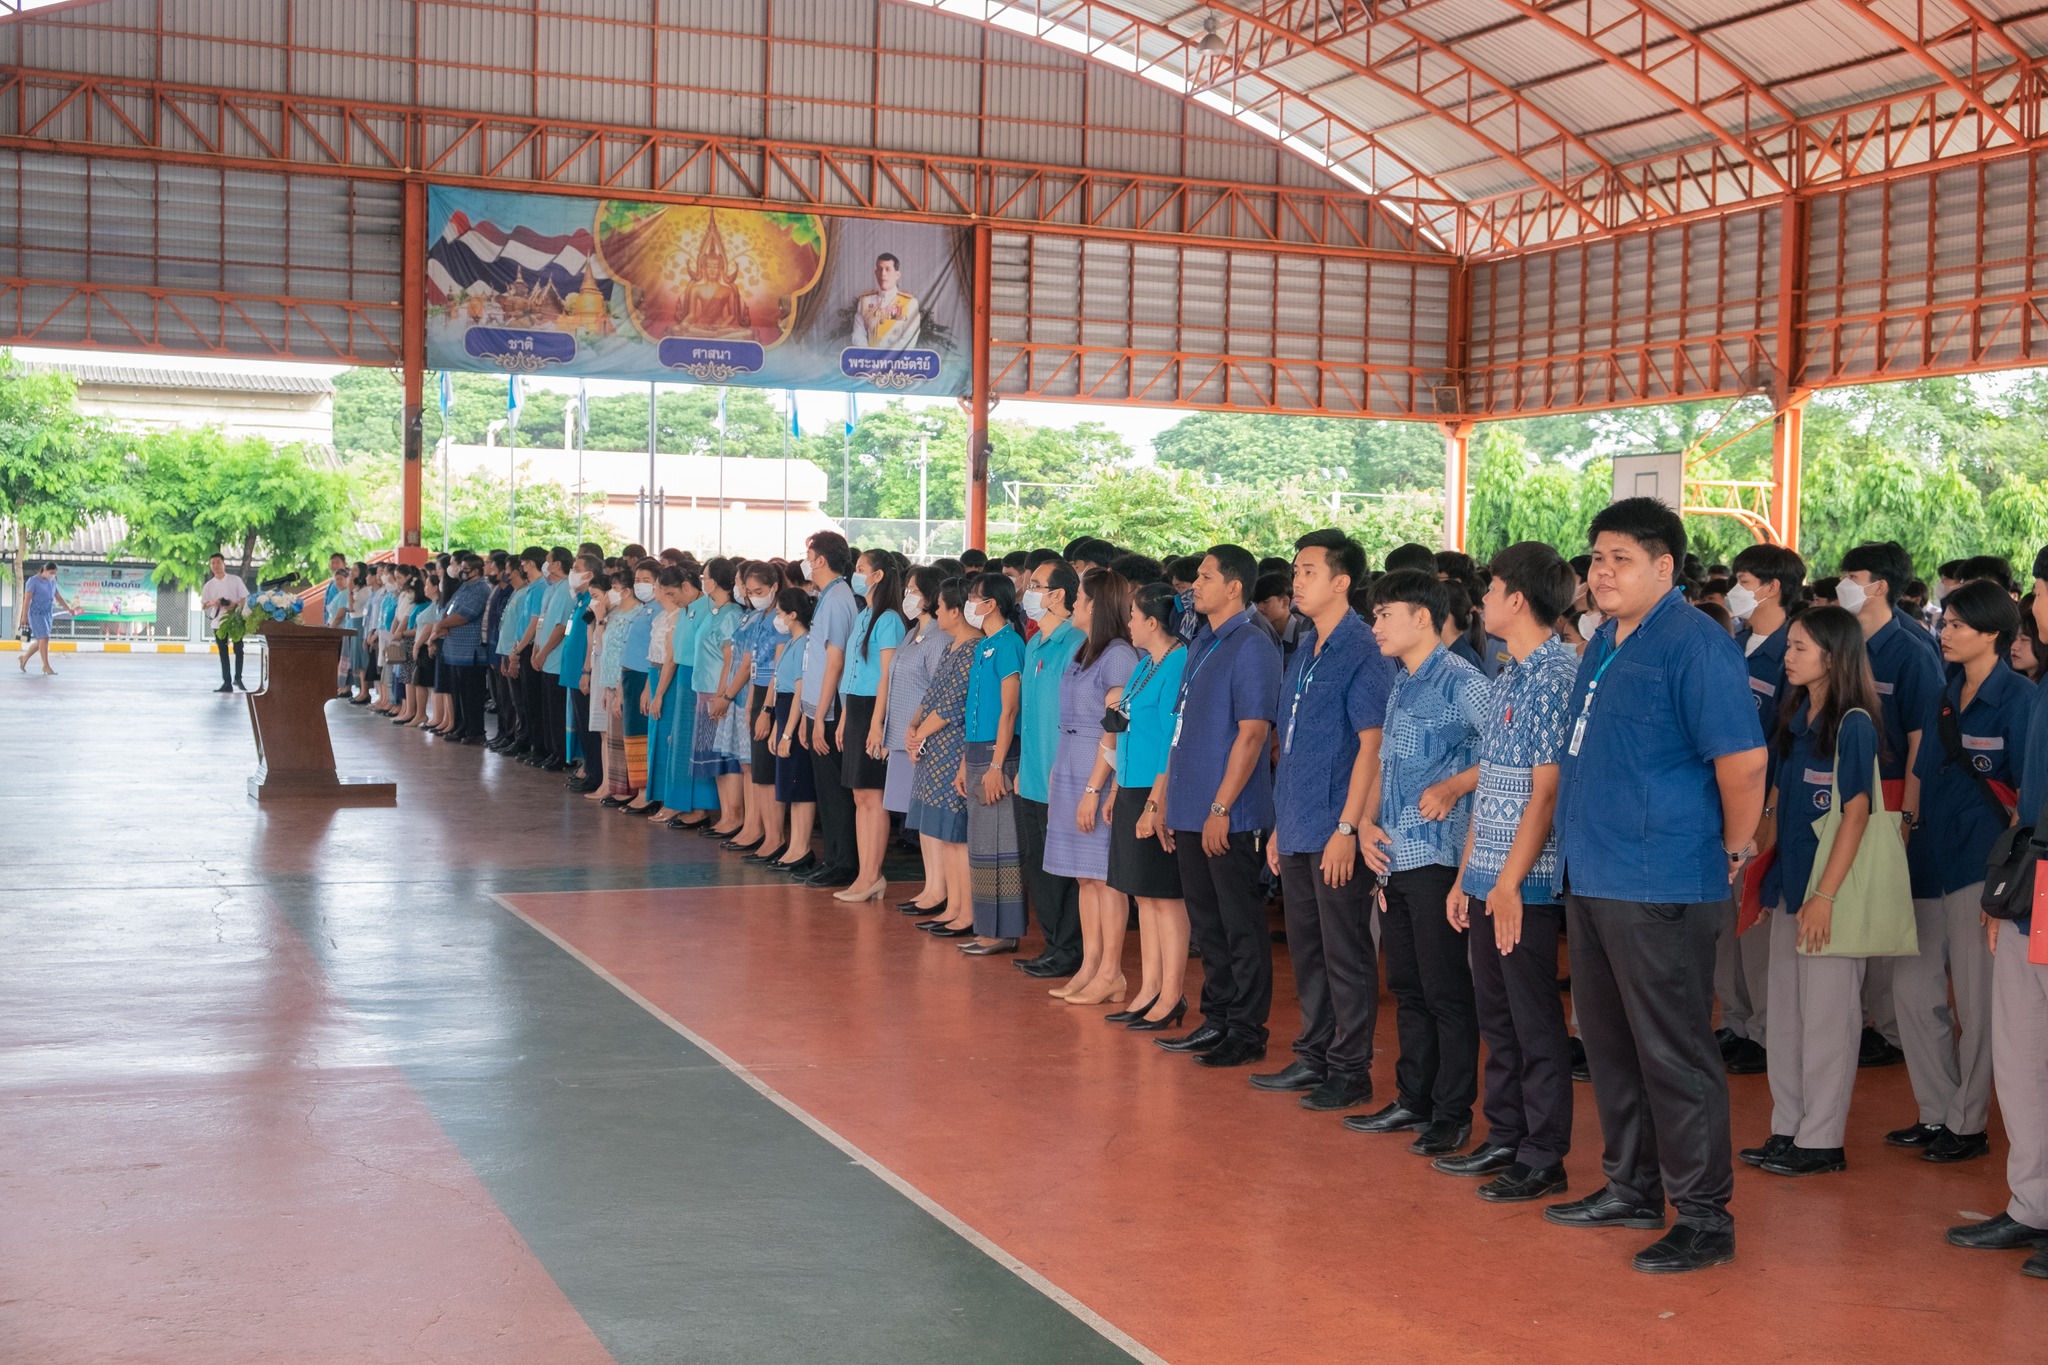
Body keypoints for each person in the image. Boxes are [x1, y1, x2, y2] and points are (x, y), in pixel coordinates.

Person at [1545, 496, 1766, 1275]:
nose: (1602, 572)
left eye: (1621, 560)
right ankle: (1632, 1186)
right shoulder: (1605, 640)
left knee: (1675, 1052)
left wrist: (1734, 849)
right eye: (1597, 558)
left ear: (1664, 568)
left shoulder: (1694, 645)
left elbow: (1741, 764)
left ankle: (1704, 1215)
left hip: (1663, 879)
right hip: (1596, 873)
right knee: (1609, 1044)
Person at [1440, 542, 1580, 1201]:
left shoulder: (1556, 672)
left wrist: (1508, 883)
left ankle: (1542, 1151)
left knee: (1532, 1020)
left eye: (1491, 588)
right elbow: (1494, 784)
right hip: (1490, 876)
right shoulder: (1508, 671)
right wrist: (1468, 876)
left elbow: (1545, 794)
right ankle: (1504, 1134)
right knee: (1496, 1016)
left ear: (1517, 598)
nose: (1483, 600)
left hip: (1526, 884)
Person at [1349, 568, 1486, 1157]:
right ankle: (1413, 1098)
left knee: (1445, 990)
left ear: (1422, 618)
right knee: (1407, 985)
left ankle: (1452, 1113)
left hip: (1441, 855)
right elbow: (1384, 761)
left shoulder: (1464, 680)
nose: (1375, 624)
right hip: (1393, 853)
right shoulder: (1401, 679)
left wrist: (1455, 786)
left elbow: (1512, 755)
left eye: (1384, 614)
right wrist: (1366, 824)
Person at [1891, 580, 2029, 1163]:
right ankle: (1936, 1110)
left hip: (1981, 864)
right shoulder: (1944, 692)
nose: (1943, 633)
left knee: (1976, 1004)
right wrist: (1906, 827)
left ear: (1992, 633)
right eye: (1943, 623)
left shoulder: (2020, 700)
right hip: (1929, 858)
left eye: (1956, 625)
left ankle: (1968, 1123)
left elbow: (2026, 794)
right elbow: (1921, 769)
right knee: (1913, 991)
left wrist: (2005, 880)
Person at [1742, 606, 1882, 1179]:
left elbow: (1855, 815)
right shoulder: (1796, 713)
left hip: (1829, 895)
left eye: (1799, 647)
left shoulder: (1854, 723)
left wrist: (1824, 897)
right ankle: (1788, 1127)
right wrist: (1752, 863)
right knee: (1787, 1019)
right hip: (1789, 888)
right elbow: (1776, 802)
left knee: (1828, 1021)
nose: (1789, 656)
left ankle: (1822, 1139)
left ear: (1834, 655)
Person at [1259, 530, 1392, 1112]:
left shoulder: (1363, 648)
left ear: (1342, 581)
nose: (1297, 580)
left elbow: (1372, 745)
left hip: (1336, 826)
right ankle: (1313, 1054)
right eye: (1296, 570)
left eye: (1309, 570)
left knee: (1345, 951)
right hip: (1297, 820)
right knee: (1307, 949)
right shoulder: (1307, 644)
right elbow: (1290, 743)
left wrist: (1349, 828)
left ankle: (1350, 1067)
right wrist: (1280, 822)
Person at [1946, 549, 2048, 1278]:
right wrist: (2005, 892)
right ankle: (2032, 1203)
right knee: (2022, 1061)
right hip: (2028, 892)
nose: (2032, 606)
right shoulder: (2043, 687)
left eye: (2038, 592)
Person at [1150, 544, 1282, 1069]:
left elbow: (1252, 735)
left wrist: (1221, 808)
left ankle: (1247, 1031)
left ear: (1234, 587)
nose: (1193, 586)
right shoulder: (1203, 640)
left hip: (1229, 814)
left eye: (1204, 578)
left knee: (1239, 924)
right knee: (1208, 925)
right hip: (1189, 805)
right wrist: (1165, 800)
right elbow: (1183, 729)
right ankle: (1218, 1018)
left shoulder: (1252, 644)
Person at [1719, 542, 1807, 1076]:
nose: (1736, 589)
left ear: (1772, 587)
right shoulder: (1734, 643)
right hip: (1720, 804)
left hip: (1764, 804)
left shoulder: (1791, 652)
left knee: (1755, 920)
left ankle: (1763, 1029)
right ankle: (1735, 1018)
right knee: (1725, 921)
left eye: (1744, 579)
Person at [1047, 567, 1140, 1005]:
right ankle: (1090, 964)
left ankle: (1111, 973)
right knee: (1084, 879)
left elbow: (1116, 725)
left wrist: (1094, 788)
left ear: (1095, 604)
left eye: (1080, 596)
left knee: (1104, 879)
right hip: (1070, 764)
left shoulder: (1119, 653)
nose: (1074, 603)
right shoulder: (1084, 649)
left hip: (1095, 773)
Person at [1106, 581, 1192, 1031]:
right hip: (1132, 786)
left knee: (1165, 898)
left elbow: (1169, 742)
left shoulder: (1178, 662)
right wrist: (1121, 790)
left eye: (1134, 617)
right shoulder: (1145, 665)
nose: (1129, 623)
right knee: (1143, 894)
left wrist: (1155, 802)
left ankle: (1172, 993)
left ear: (1153, 622)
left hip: (1157, 790)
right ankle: (1149, 988)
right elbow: (1125, 724)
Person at [1014, 558, 1086, 980]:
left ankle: (1070, 949)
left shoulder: (1076, 642)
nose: (1029, 592)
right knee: (1039, 865)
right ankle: (1054, 944)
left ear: (1058, 595)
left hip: (1064, 776)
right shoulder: (1034, 643)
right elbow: (1029, 715)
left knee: (1065, 871)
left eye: (1037, 585)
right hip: (1033, 773)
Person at [905, 579, 979, 934]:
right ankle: (952, 906)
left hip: (952, 750)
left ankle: (966, 912)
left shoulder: (973, 649)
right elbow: (933, 693)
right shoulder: (952, 647)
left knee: (956, 834)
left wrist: (921, 732)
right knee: (943, 834)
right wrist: (914, 723)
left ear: (956, 611)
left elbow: (952, 705)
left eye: (940, 607)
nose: (935, 613)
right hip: (934, 748)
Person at [959, 571, 1026, 954]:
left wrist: (998, 765)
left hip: (997, 754)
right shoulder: (984, 645)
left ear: (992, 604)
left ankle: (1003, 931)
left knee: (1000, 841)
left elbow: (1009, 708)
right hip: (976, 750)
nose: (970, 602)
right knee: (982, 843)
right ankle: (986, 926)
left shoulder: (1009, 644)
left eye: (975, 596)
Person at [835, 551, 905, 902]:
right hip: (857, 707)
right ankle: (865, 875)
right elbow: (854, 672)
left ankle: (872, 874)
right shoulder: (863, 614)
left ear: (878, 576)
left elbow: (887, 676)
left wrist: (878, 724)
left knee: (872, 797)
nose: (856, 574)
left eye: (861, 569)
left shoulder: (889, 619)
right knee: (859, 795)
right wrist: (847, 716)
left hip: (874, 710)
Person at [887, 566, 953, 913]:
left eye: (914, 590)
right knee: (919, 819)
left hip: (928, 739)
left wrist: (919, 731)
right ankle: (930, 886)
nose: (907, 596)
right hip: (906, 733)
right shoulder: (913, 631)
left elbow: (938, 694)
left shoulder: (940, 638)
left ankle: (939, 890)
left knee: (931, 820)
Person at [802, 532, 862, 888]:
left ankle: (844, 862)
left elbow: (835, 661)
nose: (806, 561)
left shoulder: (839, 598)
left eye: (809, 555)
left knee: (837, 792)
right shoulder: (827, 596)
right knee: (826, 790)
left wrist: (822, 717)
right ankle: (833, 856)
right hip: (817, 708)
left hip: (831, 710)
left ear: (821, 559)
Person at [691, 559, 745, 835]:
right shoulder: (714, 611)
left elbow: (730, 659)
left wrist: (723, 695)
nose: (703, 579)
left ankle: (735, 816)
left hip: (719, 691)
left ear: (715, 581)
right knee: (714, 758)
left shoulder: (731, 614)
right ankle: (726, 816)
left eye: (706, 576)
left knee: (726, 757)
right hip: (705, 690)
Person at [769, 587, 820, 876]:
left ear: (793, 615)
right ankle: (794, 845)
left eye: (780, 613)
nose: (778, 619)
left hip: (796, 712)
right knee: (790, 785)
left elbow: (801, 687)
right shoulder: (792, 641)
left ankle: (802, 846)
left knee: (801, 786)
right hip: (784, 708)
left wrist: (788, 732)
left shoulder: (806, 643)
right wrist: (778, 723)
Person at [434, 554, 494, 743]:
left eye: (465, 568)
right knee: (457, 693)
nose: (461, 571)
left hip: (470, 651)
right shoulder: (463, 587)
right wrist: (442, 622)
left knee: (471, 695)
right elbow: (450, 609)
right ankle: (460, 728)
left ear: (476, 570)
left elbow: (465, 615)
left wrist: (441, 625)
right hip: (454, 650)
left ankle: (475, 732)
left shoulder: (481, 589)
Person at [529, 548, 578, 772]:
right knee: (547, 709)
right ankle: (550, 751)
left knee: (558, 711)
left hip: (555, 659)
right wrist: (535, 650)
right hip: (543, 657)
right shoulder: (551, 590)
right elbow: (541, 623)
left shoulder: (567, 589)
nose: (545, 565)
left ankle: (561, 755)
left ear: (557, 564)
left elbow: (560, 628)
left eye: (548, 561)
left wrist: (543, 652)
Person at [851, 252, 922, 349]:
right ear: (875, 273)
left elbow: (909, 338)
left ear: (897, 274)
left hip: (897, 361)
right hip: (870, 360)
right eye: (880, 269)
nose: (883, 274)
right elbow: (858, 335)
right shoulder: (865, 301)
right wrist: (868, 356)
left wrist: (888, 359)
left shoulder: (909, 303)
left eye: (888, 269)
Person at [200, 555, 249, 692]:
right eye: (213, 563)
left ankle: (238, 678)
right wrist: (214, 602)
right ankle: (226, 682)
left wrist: (234, 604)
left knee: (239, 649)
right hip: (218, 622)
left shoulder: (235, 580)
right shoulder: (209, 585)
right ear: (210, 566)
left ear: (224, 564)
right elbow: (204, 605)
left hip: (235, 620)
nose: (215, 565)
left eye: (218, 562)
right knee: (223, 652)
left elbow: (244, 598)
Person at [18, 562, 71, 677]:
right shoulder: (33, 581)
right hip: (36, 613)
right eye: (51, 573)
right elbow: (27, 600)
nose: (53, 575)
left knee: (40, 641)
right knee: (44, 638)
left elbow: (58, 596)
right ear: (45, 570)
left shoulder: (52, 582)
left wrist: (68, 609)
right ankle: (46, 666)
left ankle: (24, 658)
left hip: (47, 612)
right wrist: (24, 616)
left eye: (54, 574)